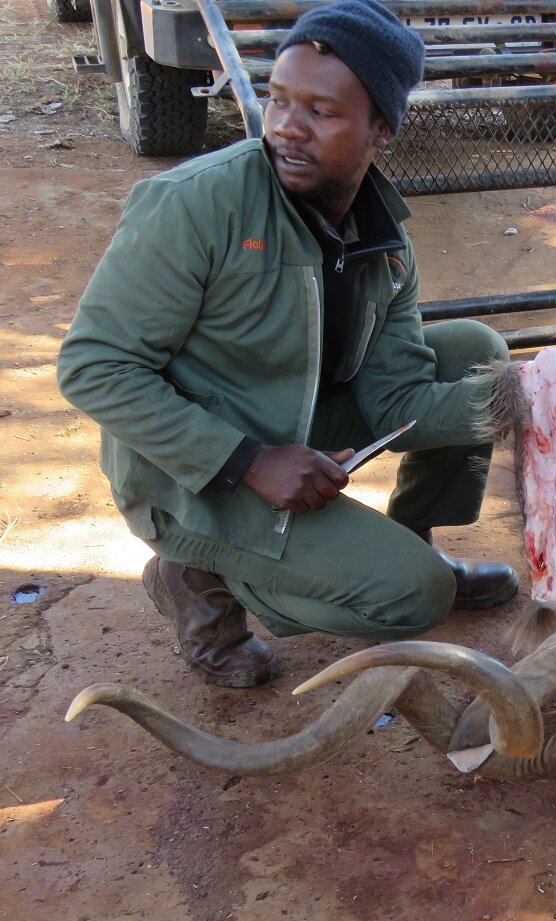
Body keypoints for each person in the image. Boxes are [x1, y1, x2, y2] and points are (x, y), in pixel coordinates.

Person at [58, 0, 519, 689]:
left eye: (321, 113)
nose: (285, 129)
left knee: (475, 349)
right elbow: (92, 366)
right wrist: (248, 459)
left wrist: (536, 395)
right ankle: (200, 575)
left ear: (381, 128)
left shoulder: (382, 235)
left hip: (288, 419)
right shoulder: (197, 203)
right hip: (188, 473)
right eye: (277, 99)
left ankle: (409, 538)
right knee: (412, 596)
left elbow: (400, 399)